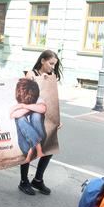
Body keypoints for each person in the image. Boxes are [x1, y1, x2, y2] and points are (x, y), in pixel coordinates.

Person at [17, 50, 62, 195]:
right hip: (30, 115)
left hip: (45, 116)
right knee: (29, 148)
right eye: (51, 63)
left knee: (49, 147)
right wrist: (37, 80)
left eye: (54, 65)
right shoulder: (31, 74)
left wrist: (57, 120)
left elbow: (52, 101)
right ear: (42, 60)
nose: (52, 67)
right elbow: (24, 95)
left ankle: (37, 180)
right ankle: (24, 181)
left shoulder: (50, 77)